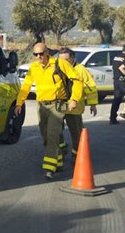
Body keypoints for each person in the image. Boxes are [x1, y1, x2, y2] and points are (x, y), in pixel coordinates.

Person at [15, 43, 82, 180]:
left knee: (52, 134)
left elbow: (77, 80)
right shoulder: (34, 67)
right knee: (45, 135)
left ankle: (49, 168)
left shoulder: (59, 63)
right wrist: (19, 103)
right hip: (42, 106)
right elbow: (26, 86)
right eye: (35, 54)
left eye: (41, 53)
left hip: (57, 105)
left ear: (47, 52)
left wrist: (74, 99)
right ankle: (58, 161)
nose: (38, 57)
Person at [57, 47, 98, 156]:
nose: (63, 63)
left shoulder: (80, 70)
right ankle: (61, 149)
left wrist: (92, 104)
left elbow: (90, 87)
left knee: (76, 133)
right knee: (56, 131)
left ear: (73, 58)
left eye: (66, 60)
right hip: (60, 105)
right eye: (61, 60)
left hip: (75, 107)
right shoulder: (57, 69)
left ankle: (77, 155)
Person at [109, 43, 125, 124]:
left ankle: (112, 118)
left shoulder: (116, 57)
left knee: (116, 99)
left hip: (116, 80)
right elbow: (122, 68)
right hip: (123, 81)